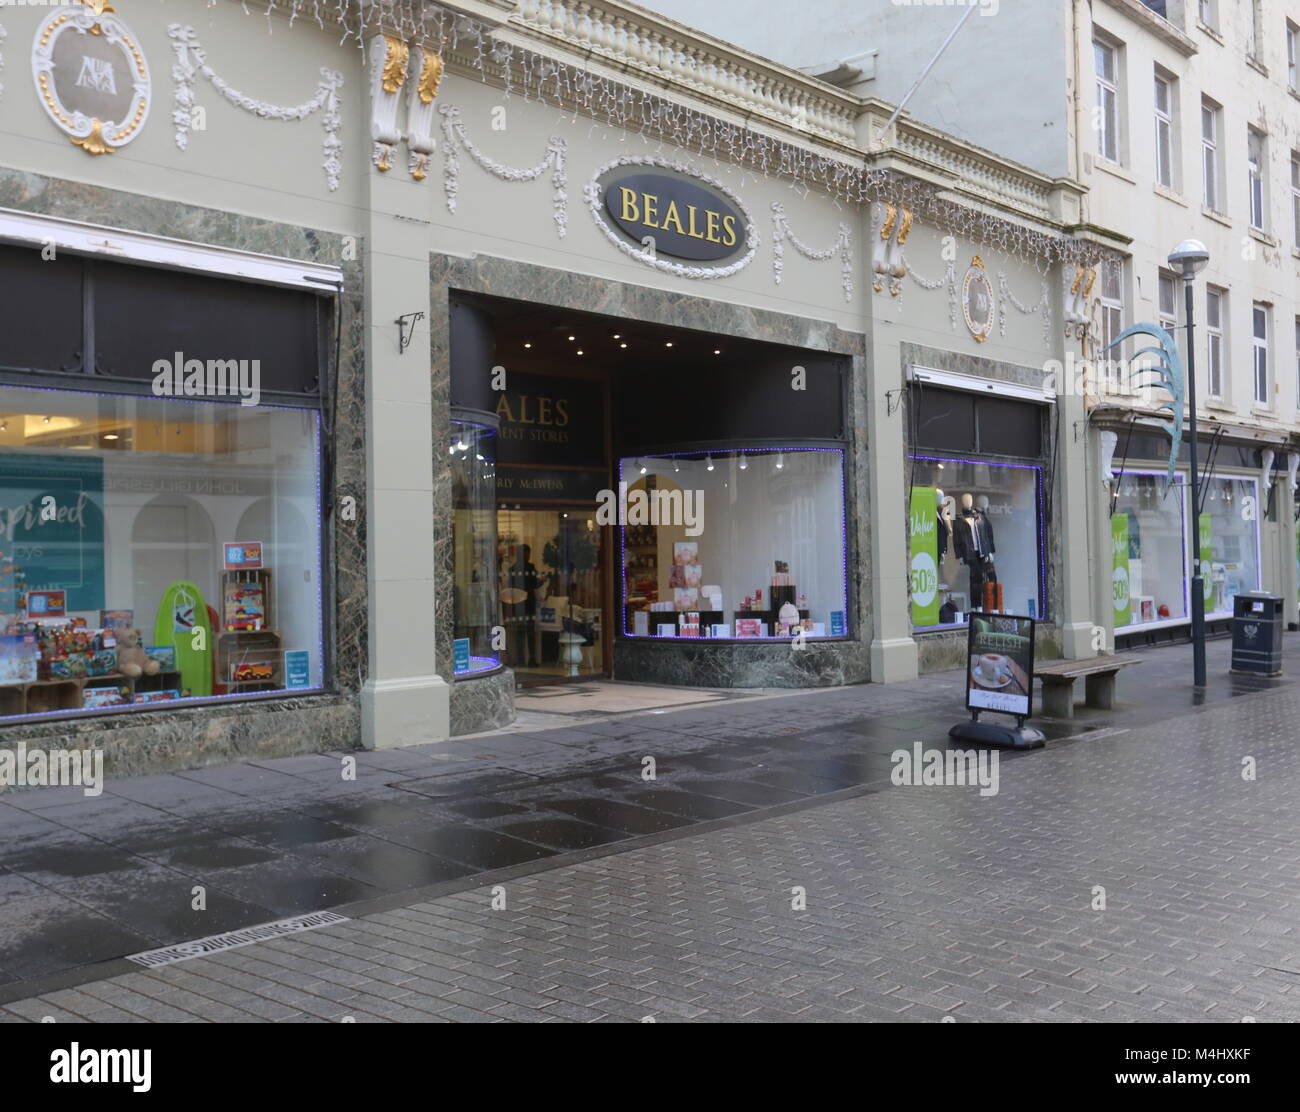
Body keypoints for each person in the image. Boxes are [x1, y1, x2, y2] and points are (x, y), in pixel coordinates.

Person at [508, 545, 542, 667]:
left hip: (519, 604)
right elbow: (534, 584)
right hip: (526, 603)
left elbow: (510, 588)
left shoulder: (512, 569)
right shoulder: (529, 567)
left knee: (521, 633)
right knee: (528, 633)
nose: (528, 557)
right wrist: (541, 581)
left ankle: (521, 659)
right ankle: (530, 659)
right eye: (527, 554)